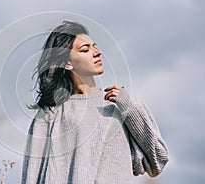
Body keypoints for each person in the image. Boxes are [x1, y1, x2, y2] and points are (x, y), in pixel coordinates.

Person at [21, 21, 169, 184]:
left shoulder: (118, 105)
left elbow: (158, 161)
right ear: (67, 63)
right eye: (85, 50)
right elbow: (31, 176)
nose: (97, 53)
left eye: (95, 47)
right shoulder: (49, 114)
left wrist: (130, 105)